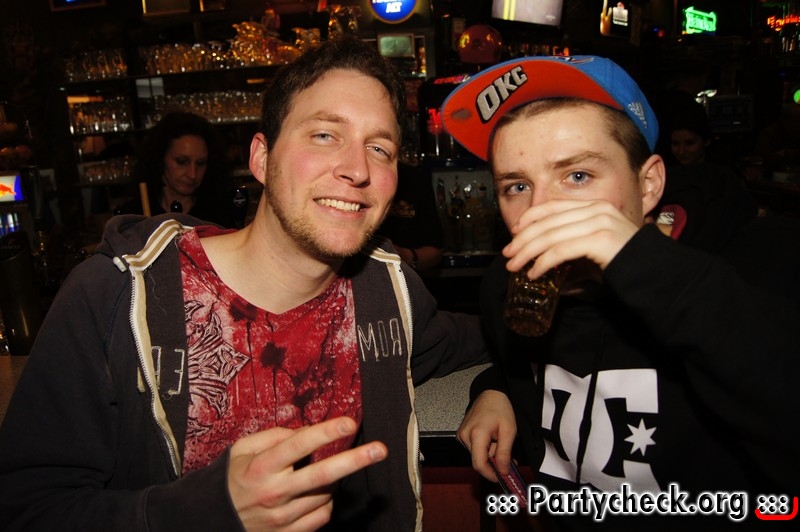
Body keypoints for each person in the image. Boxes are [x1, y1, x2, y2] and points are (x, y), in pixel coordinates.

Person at [0, 37, 488, 531]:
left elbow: (491, 335)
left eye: (379, 148)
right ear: (261, 158)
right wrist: (204, 511)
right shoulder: (117, 297)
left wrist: (499, 388)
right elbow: (26, 510)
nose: (358, 169)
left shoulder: (388, 295)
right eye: (324, 135)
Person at [440, 55, 800, 529]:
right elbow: (534, 365)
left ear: (648, 184)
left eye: (578, 176)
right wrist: (496, 389)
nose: (539, 211)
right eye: (517, 186)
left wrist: (640, 263)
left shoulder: (765, 262)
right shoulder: (505, 286)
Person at [118, 111, 235, 227]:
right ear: (160, 158)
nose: (192, 174)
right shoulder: (133, 216)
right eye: (181, 161)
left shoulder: (220, 214)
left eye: (200, 163)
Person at [378, 160, 445, 271]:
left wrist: (406, 256)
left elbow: (436, 251)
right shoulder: (356, 176)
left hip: (407, 277)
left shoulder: (416, 178)